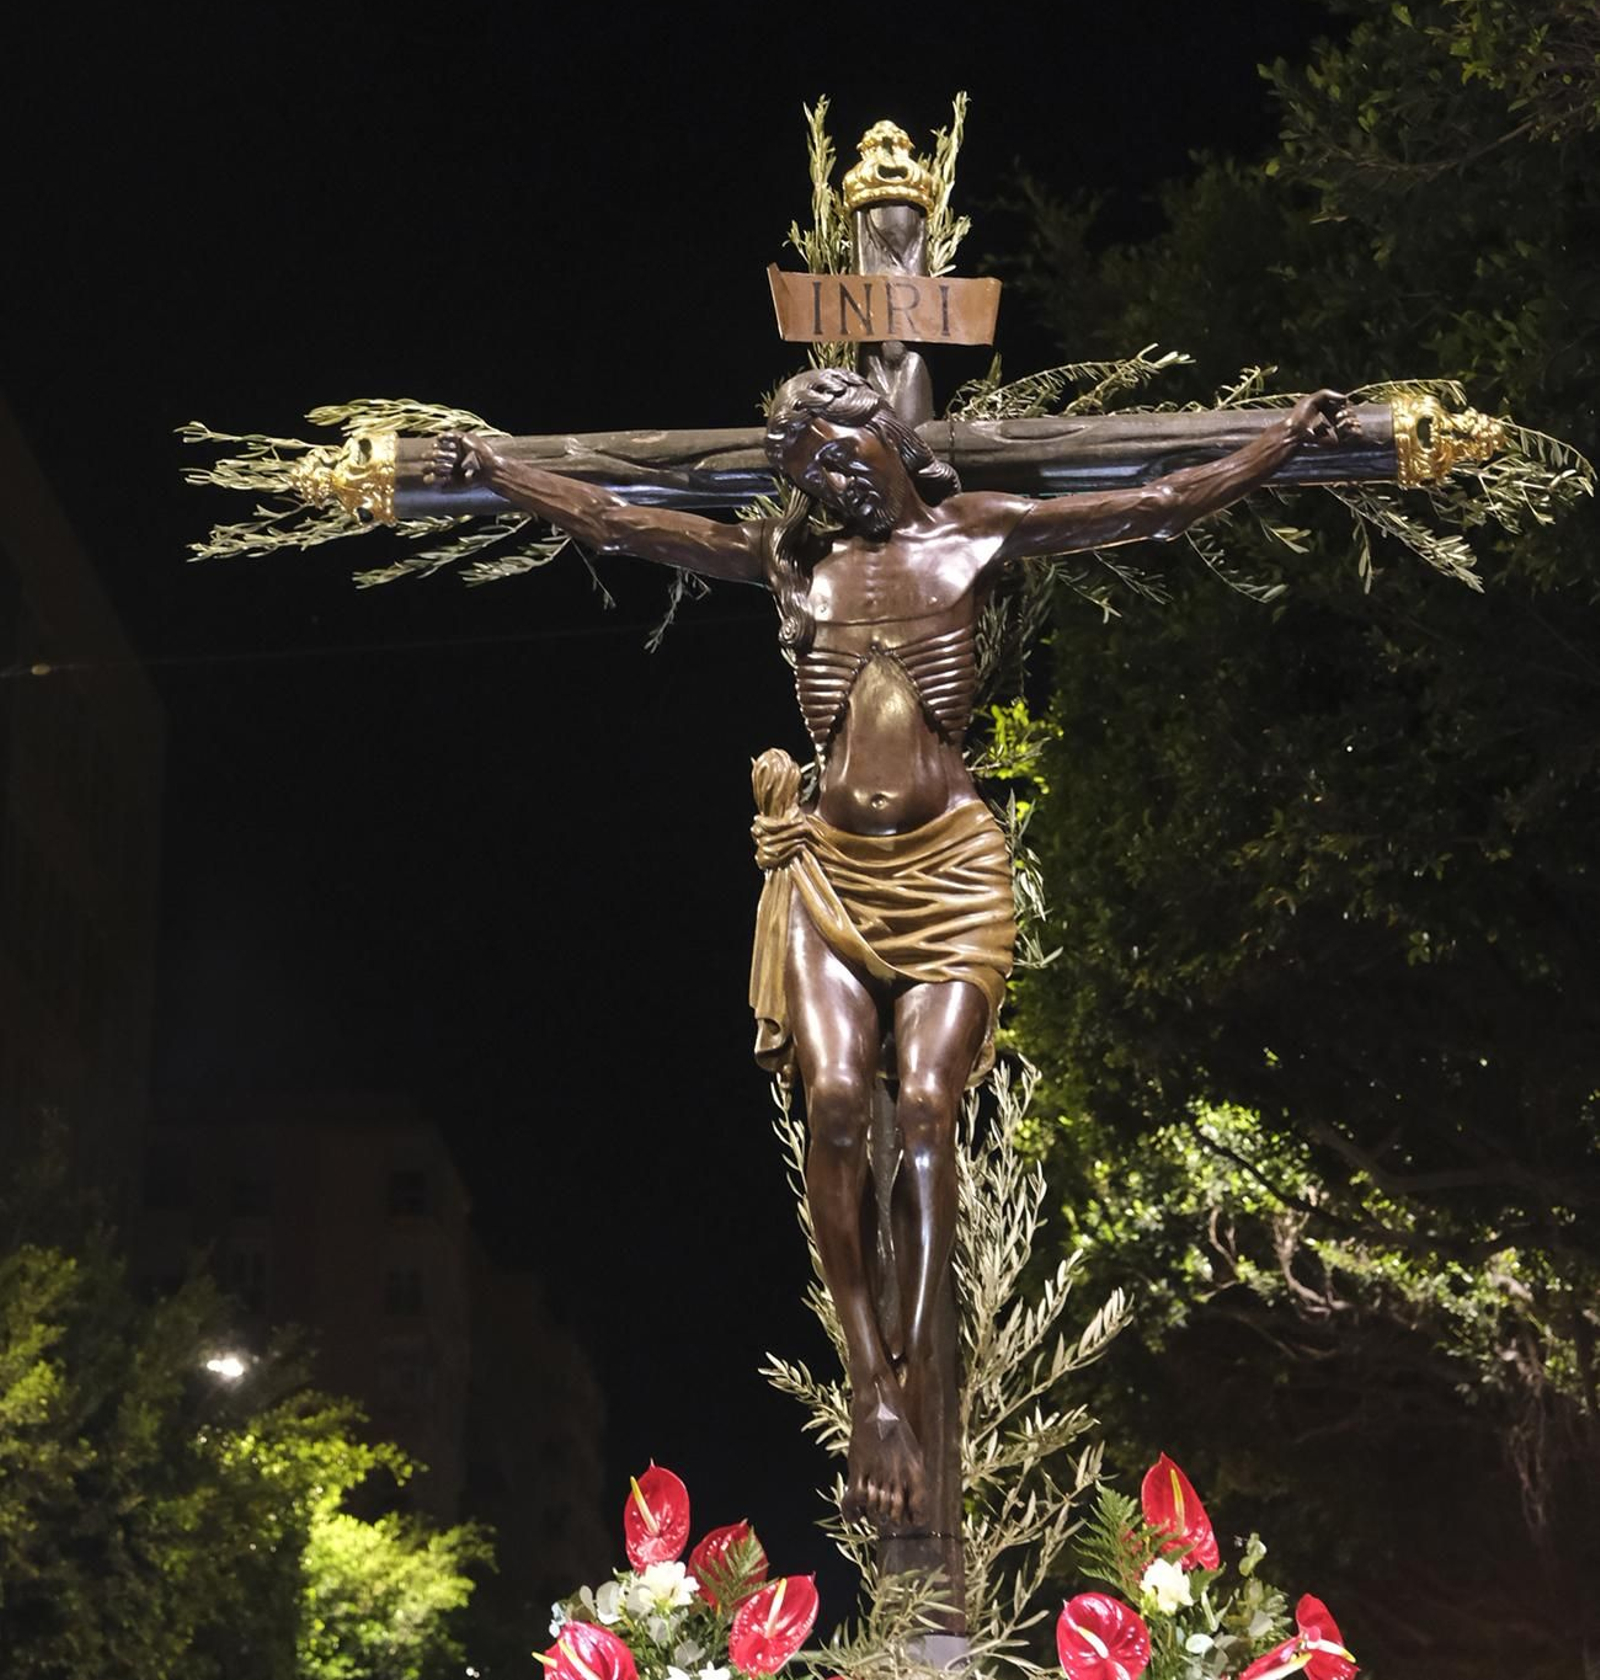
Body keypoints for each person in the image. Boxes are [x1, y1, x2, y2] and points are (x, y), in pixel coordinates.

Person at [431, 367, 1350, 1531]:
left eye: (837, 455)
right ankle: (873, 1387)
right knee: (832, 1101)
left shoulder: (975, 531)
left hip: (952, 867)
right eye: (804, 467)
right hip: (823, 870)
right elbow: (624, 522)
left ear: (890, 443)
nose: (823, 481)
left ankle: (915, 1383)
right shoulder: (791, 561)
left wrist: (1278, 441)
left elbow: (1158, 502)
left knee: (921, 1106)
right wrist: (504, 468)